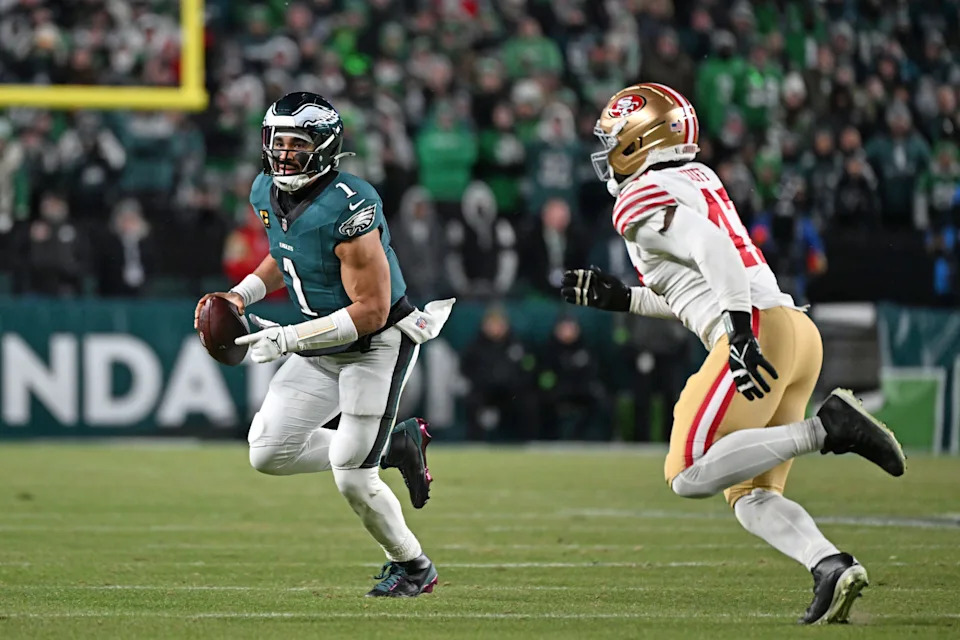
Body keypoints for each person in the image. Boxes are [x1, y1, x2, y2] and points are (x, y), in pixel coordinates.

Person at [562, 83, 906, 624]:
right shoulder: (696, 176)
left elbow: (713, 250)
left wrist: (741, 333)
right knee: (750, 494)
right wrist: (626, 298)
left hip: (758, 331)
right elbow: (696, 288)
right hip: (794, 331)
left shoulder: (638, 196)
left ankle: (828, 430)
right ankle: (830, 566)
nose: (606, 153)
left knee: (688, 471)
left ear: (640, 140)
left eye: (613, 139)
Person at [193, 92, 455, 598]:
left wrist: (287, 338)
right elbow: (285, 253)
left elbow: (372, 310)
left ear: (326, 146)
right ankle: (395, 445)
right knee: (268, 452)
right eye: (278, 141)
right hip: (323, 342)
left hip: (377, 344)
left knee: (353, 478)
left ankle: (413, 567)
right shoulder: (265, 190)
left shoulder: (350, 204)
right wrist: (241, 294)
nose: (284, 153)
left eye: (297, 143)